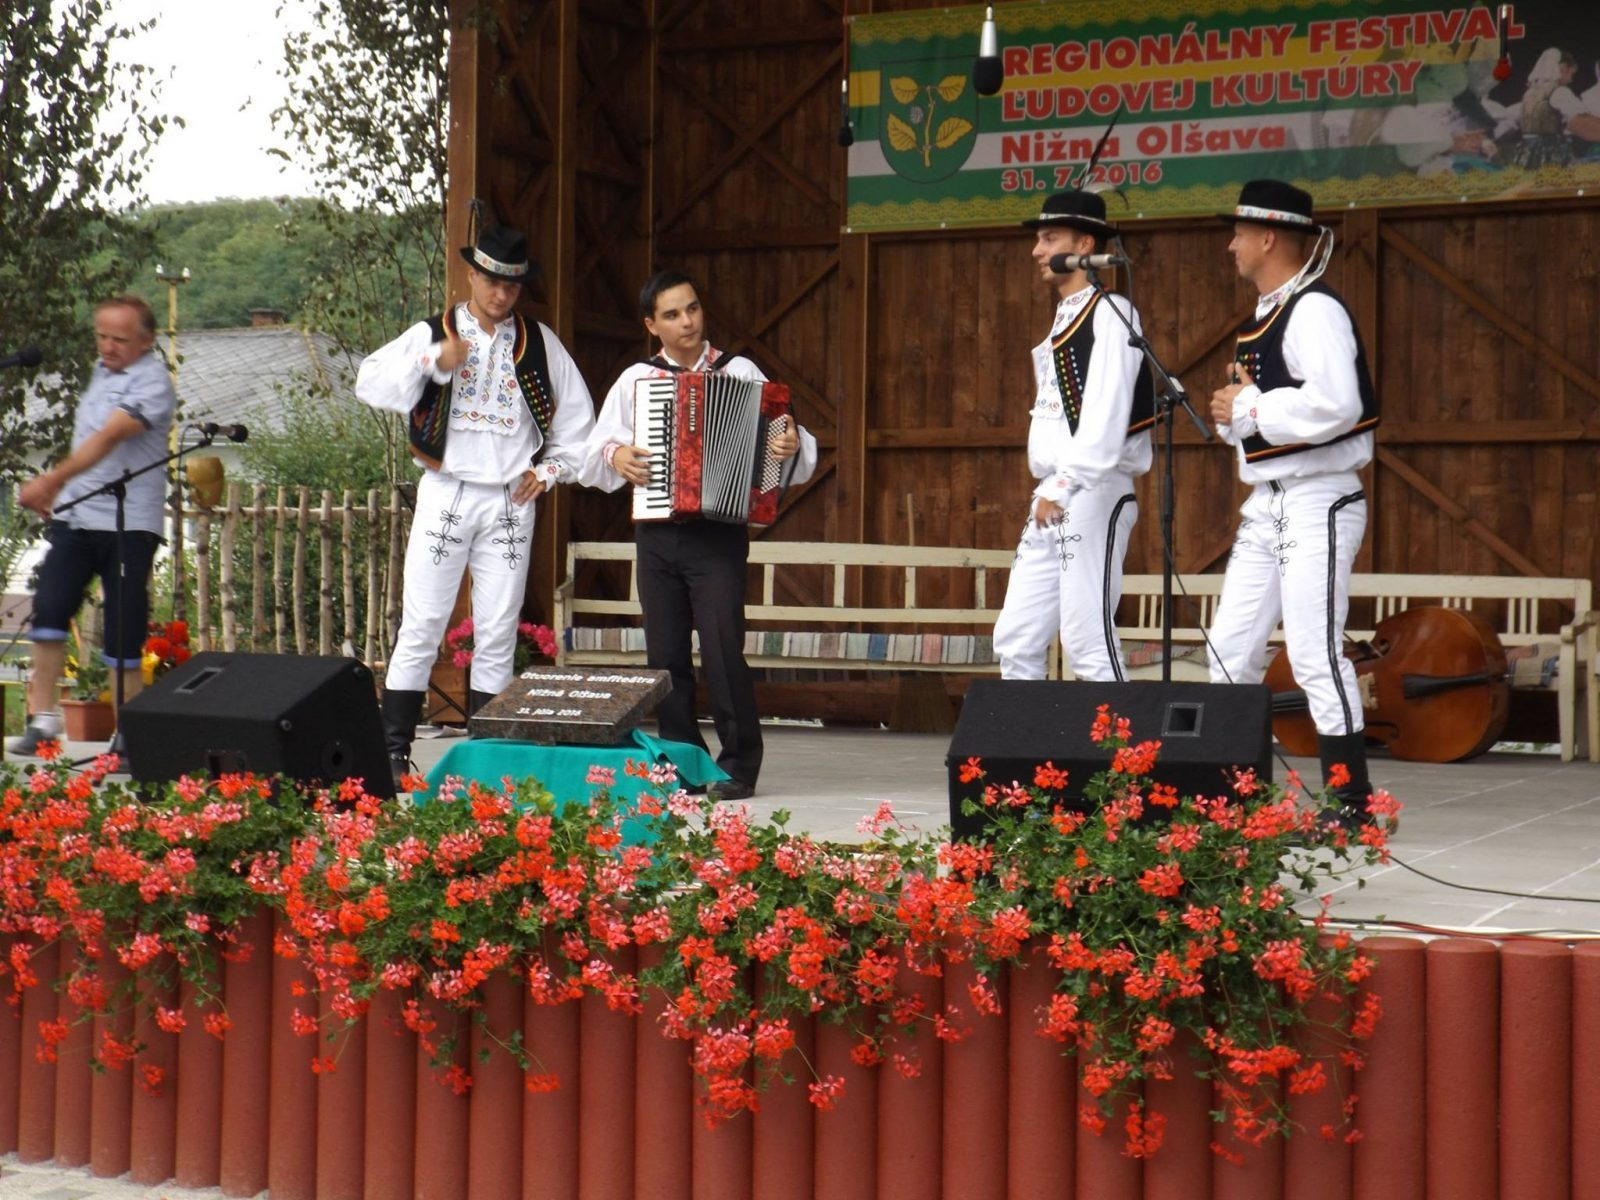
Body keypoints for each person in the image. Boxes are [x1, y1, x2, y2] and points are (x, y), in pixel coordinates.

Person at [356, 224, 594, 786]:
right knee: (422, 622)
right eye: (491, 281)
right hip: (448, 489)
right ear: (471, 275)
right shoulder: (433, 332)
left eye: (511, 285)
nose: (501, 294)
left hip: (511, 498)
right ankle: (393, 753)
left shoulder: (539, 342)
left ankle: (486, 758)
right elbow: (370, 382)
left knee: (498, 629)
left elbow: (579, 423)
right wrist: (432, 360)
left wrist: (549, 471)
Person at [582, 270, 816, 801]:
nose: (687, 321)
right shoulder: (637, 379)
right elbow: (595, 450)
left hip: (719, 535)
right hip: (657, 535)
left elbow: (786, 437)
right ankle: (681, 763)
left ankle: (738, 766)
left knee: (723, 649)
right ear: (652, 325)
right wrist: (617, 455)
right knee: (665, 655)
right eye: (672, 314)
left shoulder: (740, 371)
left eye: (692, 308)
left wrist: (789, 444)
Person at [1206, 179, 1380, 828]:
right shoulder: (1267, 316)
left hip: (1317, 497)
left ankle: (1350, 803)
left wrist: (1249, 408)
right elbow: (1260, 416)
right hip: (1269, 501)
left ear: (1267, 237)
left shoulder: (1314, 310)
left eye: (1238, 235)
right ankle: (1234, 795)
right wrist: (1232, 414)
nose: (1231, 246)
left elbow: (1340, 404)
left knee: (1313, 651)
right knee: (1229, 650)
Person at [991, 188, 1154, 682]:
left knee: (1087, 640)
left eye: (1049, 238)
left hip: (1089, 488)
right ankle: (1023, 735)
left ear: (1084, 245)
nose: (1037, 250)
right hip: (1055, 490)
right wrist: (1054, 486)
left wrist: (1064, 483)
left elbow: (1106, 412)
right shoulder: (1068, 314)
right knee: (1016, 637)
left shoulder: (1111, 311)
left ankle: (1123, 737)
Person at [9, 294, 176, 757]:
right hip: (77, 516)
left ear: (146, 340)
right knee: (49, 608)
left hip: (128, 523)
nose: (107, 346)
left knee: (124, 625)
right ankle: (43, 719)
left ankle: (128, 732)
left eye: (119, 338)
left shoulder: (153, 381)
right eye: (101, 336)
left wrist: (50, 480)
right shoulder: (101, 374)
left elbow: (109, 437)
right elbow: (87, 442)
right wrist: (61, 493)